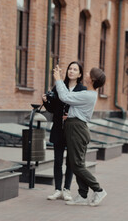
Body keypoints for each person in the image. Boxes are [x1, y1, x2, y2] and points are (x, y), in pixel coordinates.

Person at [53, 65, 107, 206]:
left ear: (92, 79)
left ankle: (99, 190)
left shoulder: (87, 95)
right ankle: (83, 196)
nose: (86, 74)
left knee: (76, 165)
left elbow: (65, 97)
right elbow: (68, 96)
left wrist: (58, 79)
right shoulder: (88, 93)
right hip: (74, 127)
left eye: (89, 73)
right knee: (76, 163)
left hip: (77, 129)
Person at [42, 61, 87, 201]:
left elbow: (80, 107)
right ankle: (57, 189)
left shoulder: (82, 89)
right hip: (58, 129)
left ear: (79, 74)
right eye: (70, 69)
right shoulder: (59, 86)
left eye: (75, 69)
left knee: (70, 162)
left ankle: (67, 189)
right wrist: (45, 101)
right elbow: (52, 108)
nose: (71, 71)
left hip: (73, 130)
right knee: (57, 161)